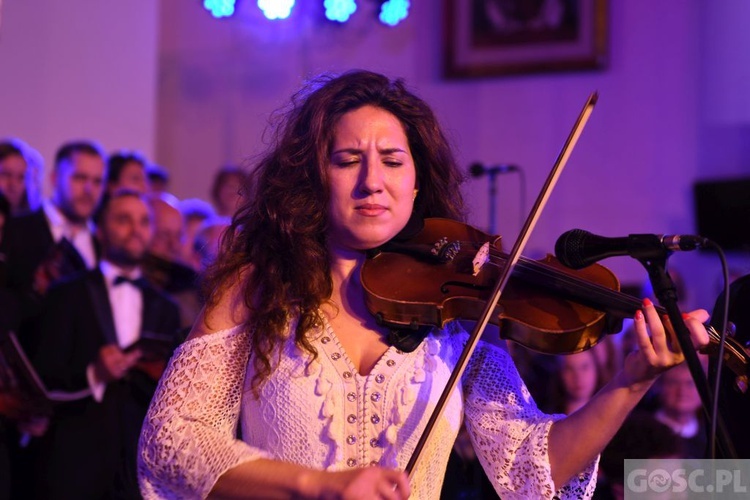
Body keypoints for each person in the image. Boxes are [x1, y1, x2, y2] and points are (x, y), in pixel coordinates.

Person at [137, 70, 710, 499]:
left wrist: (630, 384)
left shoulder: (458, 310)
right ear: (314, 178)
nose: (371, 182)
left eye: (391, 160)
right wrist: (321, 486)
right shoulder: (258, 286)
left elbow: (531, 466)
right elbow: (173, 442)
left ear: (416, 183)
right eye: (346, 160)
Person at [29, 189, 181, 499]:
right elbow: (43, 373)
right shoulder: (65, 294)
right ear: (100, 231)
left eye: (143, 221)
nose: (135, 229)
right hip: (75, 462)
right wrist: (94, 374)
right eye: (123, 220)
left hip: (140, 466)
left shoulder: (167, 308)